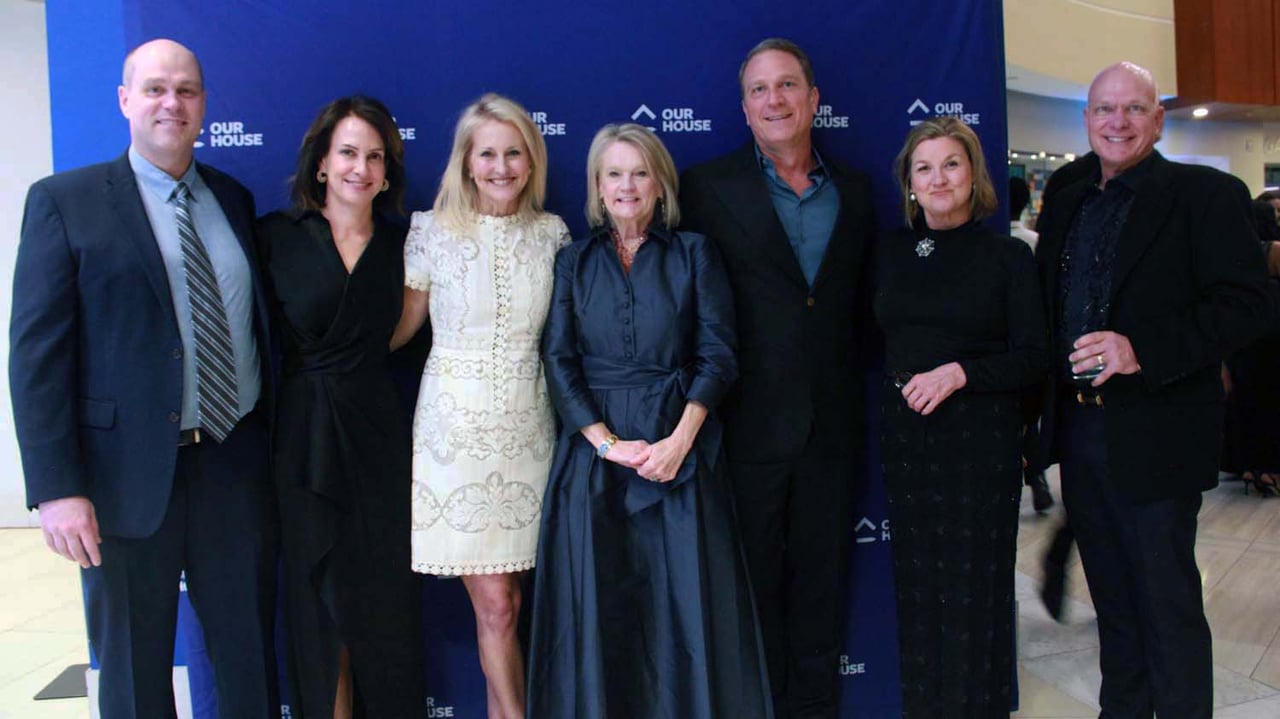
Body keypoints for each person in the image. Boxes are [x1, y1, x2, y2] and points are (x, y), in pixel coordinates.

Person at [10, 39, 277, 717]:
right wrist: (57, 487)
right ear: (125, 100)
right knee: (133, 668)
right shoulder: (65, 201)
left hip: (232, 465)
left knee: (247, 656)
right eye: (155, 89)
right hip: (120, 478)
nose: (171, 103)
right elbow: (37, 358)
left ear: (203, 104)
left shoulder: (232, 198)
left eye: (186, 90)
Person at [1034, 62, 1275, 718]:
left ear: (1159, 120)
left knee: (1167, 607)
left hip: (1160, 432)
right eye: (1104, 109)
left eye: (1135, 109)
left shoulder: (1205, 195)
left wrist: (1140, 348)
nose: (1118, 122)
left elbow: (1249, 305)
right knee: (1113, 604)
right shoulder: (1068, 194)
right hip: (1079, 432)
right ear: (1087, 119)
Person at [527, 123, 772, 718]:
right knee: (601, 610)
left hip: (679, 456)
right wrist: (606, 444)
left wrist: (678, 443)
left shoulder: (694, 253)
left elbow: (718, 355)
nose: (627, 185)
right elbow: (559, 361)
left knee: (681, 609)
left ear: (660, 184)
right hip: (594, 463)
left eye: (640, 173)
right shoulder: (573, 261)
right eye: (614, 173)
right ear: (597, 186)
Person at [679, 38, 877, 718]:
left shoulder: (856, 190)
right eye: (759, 89)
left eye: (788, 85)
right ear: (743, 108)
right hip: (744, 427)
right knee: (750, 591)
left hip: (832, 426)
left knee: (823, 589)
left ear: (813, 99)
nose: (774, 100)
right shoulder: (705, 188)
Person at [391, 93, 568, 718]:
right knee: (496, 604)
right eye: (487, 154)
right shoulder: (431, 231)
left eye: (514, 153)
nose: (501, 167)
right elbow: (401, 329)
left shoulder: (552, 235)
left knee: (512, 604)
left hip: (530, 434)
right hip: (454, 439)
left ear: (532, 160)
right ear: (466, 162)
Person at [259, 96, 425, 718]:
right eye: (349, 153)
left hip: (380, 435)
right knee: (316, 603)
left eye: (375, 157)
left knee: (382, 604)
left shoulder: (408, 245)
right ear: (322, 163)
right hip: (303, 440)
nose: (361, 167)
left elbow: (409, 335)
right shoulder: (275, 237)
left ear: (387, 172)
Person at [876, 117, 1048, 717]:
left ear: (974, 175)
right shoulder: (888, 253)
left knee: (976, 592)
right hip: (908, 446)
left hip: (980, 447)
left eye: (951, 164)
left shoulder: (1007, 257)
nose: (938, 178)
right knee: (920, 593)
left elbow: (1034, 359)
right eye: (923, 168)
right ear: (909, 183)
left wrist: (960, 373)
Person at [1220, 200, 1280, 496]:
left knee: (1246, 403)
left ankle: (1249, 466)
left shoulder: (1233, 252)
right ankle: (1270, 469)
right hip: (1273, 333)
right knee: (1271, 404)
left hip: (1244, 336)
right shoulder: (1275, 250)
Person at [1009, 175, 1054, 513]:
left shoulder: (1002, 245)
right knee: (1028, 417)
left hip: (1001, 348)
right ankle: (1036, 474)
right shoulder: (1034, 243)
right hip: (1030, 345)